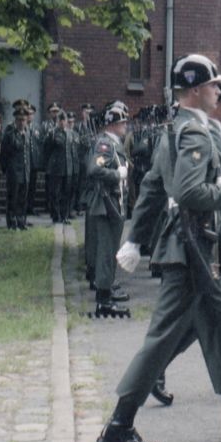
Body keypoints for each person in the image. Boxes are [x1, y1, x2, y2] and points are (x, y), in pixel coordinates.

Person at [99, 53, 221, 442]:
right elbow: (186, 192)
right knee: (161, 338)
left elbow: (151, 186)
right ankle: (119, 423)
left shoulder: (176, 129)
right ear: (199, 90)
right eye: (215, 85)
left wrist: (134, 240)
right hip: (192, 249)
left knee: (220, 326)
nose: (220, 91)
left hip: (196, 247)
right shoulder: (197, 134)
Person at [84, 101, 133, 317]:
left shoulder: (113, 144)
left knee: (110, 250)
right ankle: (103, 300)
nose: (125, 126)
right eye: (122, 122)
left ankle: (107, 290)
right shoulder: (105, 144)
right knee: (105, 252)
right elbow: (94, 168)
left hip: (113, 204)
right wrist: (117, 175)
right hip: (106, 205)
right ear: (112, 124)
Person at [0, 100, 34, 230]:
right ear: (15, 120)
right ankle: (11, 222)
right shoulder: (10, 134)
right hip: (14, 171)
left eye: (24, 120)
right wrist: (5, 169)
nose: (22, 122)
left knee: (22, 199)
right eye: (19, 120)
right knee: (12, 198)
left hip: (25, 171)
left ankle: (21, 221)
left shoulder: (28, 133)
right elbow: (4, 153)